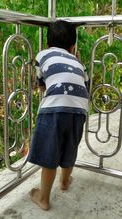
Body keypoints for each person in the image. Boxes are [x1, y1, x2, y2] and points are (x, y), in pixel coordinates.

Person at [28, 20, 88, 210]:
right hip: (79, 110)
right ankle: (64, 181)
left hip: (53, 109)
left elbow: (41, 84)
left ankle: (43, 198)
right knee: (70, 147)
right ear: (72, 47)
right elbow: (86, 84)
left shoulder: (42, 55)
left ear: (47, 44)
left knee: (50, 153)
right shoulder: (78, 62)